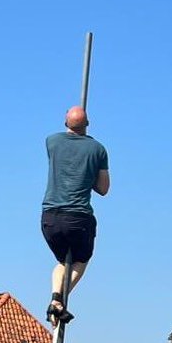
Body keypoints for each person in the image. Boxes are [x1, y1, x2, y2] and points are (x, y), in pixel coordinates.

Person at [41, 106, 110, 325]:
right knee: (81, 259)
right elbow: (103, 188)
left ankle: (54, 296)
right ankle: (60, 299)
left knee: (62, 262)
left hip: (50, 217)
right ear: (87, 124)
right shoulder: (98, 150)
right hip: (78, 218)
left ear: (64, 122)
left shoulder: (51, 142)